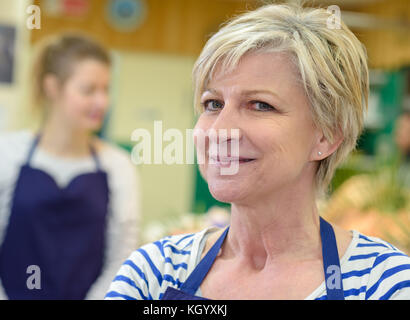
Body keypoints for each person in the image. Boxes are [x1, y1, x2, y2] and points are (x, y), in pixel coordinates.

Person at [105, 3, 410, 300]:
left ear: (326, 137)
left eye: (260, 105)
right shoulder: (155, 273)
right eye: (213, 104)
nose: (220, 131)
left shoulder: (383, 283)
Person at [0, 34, 140, 299]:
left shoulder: (119, 167)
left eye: (106, 89)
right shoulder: (0, 154)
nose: (102, 102)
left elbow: (123, 259)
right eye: (88, 90)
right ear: (52, 87)